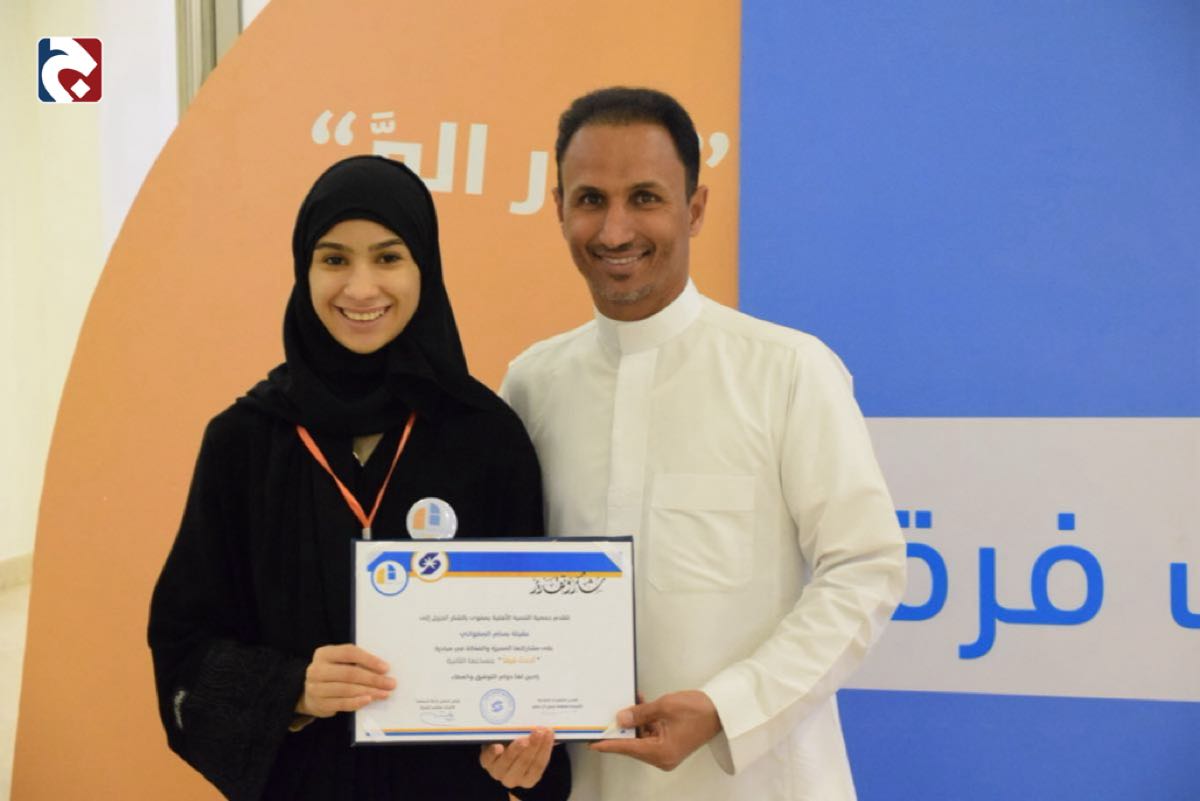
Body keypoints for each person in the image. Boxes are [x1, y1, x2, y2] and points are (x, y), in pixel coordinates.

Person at [499, 87, 907, 800]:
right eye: (591, 199)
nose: (615, 229)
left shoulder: (788, 370)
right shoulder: (531, 384)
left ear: (694, 209)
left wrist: (728, 707)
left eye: (645, 198)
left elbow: (865, 567)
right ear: (558, 208)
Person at [149, 155, 569, 801]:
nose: (362, 287)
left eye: (389, 257)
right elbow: (184, 640)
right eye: (335, 259)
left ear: (424, 266)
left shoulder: (486, 435)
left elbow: (533, 639)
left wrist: (525, 754)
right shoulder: (244, 441)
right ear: (304, 270)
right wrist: (291, 687)